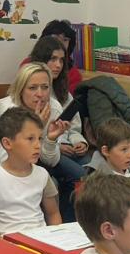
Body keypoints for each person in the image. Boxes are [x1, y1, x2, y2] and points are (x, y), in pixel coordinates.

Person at [0, 63, 83, 216]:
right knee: (46, 182)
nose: (40, 94)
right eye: (32, 88)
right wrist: (37, 126)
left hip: (39, 152)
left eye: (45, 87)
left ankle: (64, 223)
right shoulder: (6, 109)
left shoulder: (54, 107)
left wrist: (51, 139)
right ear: (21, 89)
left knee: (79, 176)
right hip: (5, 156)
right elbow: (7, 157)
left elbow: (51, 161)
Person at [0, 107, 62, 235]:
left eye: (40, 138)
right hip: (7, 241)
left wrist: (57, 237)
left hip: (40, 239)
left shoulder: (42, 174)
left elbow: (53, 214)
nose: (38, 145)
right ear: (7, 143)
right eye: (30, 139)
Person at [28, 34, 88, 164]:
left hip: (69, 147)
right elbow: (28, 136)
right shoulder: (30, 94)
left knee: (94, 165)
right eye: (53, 59)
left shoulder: (63, 92)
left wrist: (79, 142)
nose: (58, 65)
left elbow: (74, 128)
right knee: (80, 173)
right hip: (46, 151)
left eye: (61, 60)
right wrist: (57, 146)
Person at [28, 20, 82, 96]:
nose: (60, 42)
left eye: (65, 40)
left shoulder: (73, 74)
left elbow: (69, 100)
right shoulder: (27, 65)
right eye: (56, 38)